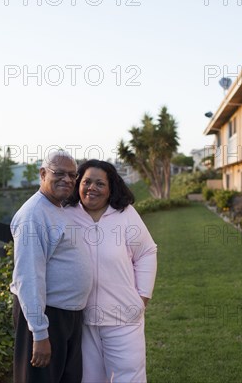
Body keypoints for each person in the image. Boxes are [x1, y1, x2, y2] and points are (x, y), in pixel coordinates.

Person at [64, 159, 157, 383]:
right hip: (82, 318)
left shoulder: (125, 214)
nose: (91, 188)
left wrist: (142, 297)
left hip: (123, 315)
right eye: (86, 182)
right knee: (88, 379)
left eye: (99, 183)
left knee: (129, 377)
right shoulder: (66, 214)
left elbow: (146, 252)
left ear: (110, 188)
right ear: (78, 184)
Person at [10, 150, 93, 383]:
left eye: (72, 175)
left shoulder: (57, 208)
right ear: (43, 173)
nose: (67, 179)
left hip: (68, 316)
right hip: (47, 316)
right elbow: (29, 277)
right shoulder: (33, 215)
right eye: (59, 173)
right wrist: (39, 332)